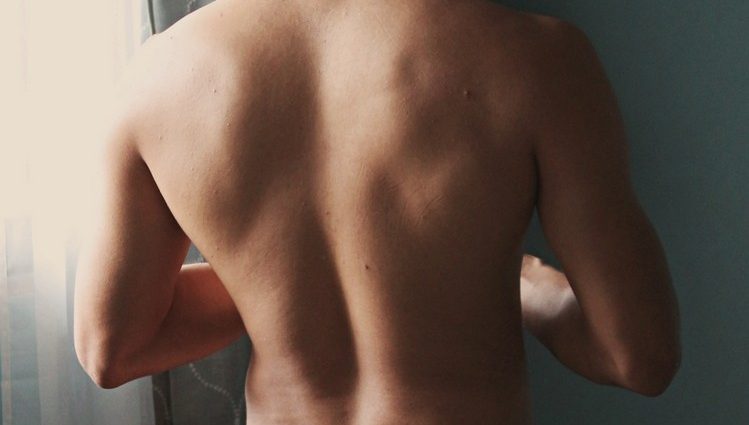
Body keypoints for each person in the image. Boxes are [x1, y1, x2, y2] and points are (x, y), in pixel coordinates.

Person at [73, 0, 681, 423]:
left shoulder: (155, 76)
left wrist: (270, 286)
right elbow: (638, 355)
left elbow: (112, 347)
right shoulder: (538, 60)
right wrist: (525, 287)